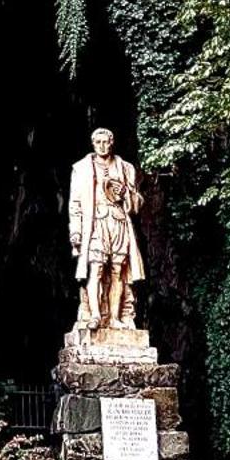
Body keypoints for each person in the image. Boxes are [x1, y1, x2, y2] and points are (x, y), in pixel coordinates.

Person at [67, 126, 144, 331]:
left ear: (112, 143)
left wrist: (126, 192)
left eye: (105, 141)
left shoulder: (126, 168)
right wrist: (75, 231)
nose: (102, 146)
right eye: (97, 142)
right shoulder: (82, 168)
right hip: (95, 224)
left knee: (118, 271)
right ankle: (94, 315)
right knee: (97, 269)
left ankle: (116, 318)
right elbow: (75, 204)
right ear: (93, 144)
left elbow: (137, 203)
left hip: (118, 221)